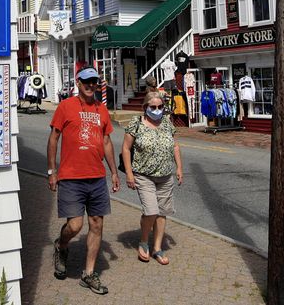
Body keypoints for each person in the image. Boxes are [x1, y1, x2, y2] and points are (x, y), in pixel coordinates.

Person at [47, 67, 120, 295]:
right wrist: (52, 171)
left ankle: (88, 274)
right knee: (75, 225)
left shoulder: (101, 110)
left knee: (97, 224)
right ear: (78, 83)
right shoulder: (65, 106)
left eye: (94, 82)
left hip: (96, 177)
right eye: (87, 82)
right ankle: (62, 245)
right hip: (71, 177)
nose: (91, 86)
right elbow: (54, 138)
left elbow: (106, 141)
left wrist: (114, 172)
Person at [121, 90, 184, 265]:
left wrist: (179, 167)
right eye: (153, 107)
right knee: (151, 211)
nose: (157, 110)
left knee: (162, 213)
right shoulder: (136, 124)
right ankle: (143, 242)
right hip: (143, 175)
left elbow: (175, 146)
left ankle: (157, 247)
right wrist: (129, 174)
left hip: (165, 175)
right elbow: (126, 149)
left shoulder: (166, 122)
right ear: (145, 107)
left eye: (160, 107)